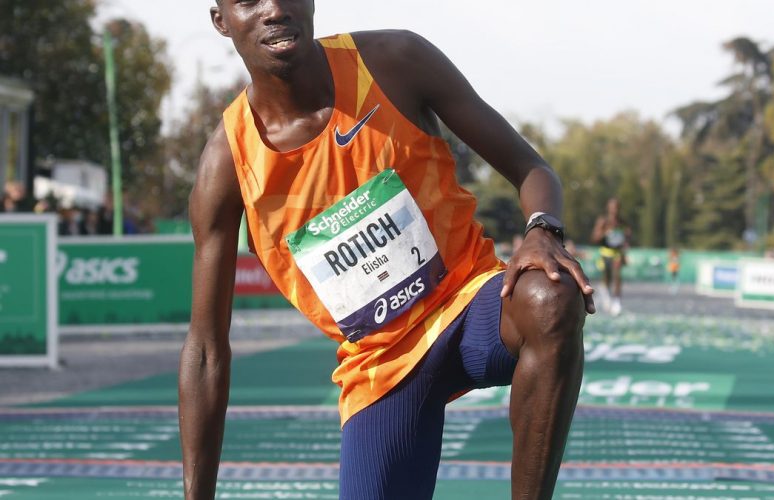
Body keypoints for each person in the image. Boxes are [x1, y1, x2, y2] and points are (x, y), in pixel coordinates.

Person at [180, 2, 595, 499]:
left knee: (550, 294)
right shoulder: (225, 166)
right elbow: (205, 349)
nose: (273, 8)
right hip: (381, 364)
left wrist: (542, 229)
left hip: (470, 304)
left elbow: (531, 168)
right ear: (221, 20)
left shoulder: (394, 61)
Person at [591, 198, 630, 316]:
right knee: (607, 278)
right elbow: (594, 238)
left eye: (617, 207)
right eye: (612, 207)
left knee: (617, 275)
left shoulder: (622, 222)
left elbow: (627, 237)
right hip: (605, 253)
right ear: (608, 208)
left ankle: (617, 302)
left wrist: (626, 244)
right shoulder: (603, 221)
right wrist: (605, 233)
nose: (614, 210)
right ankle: (605, 296)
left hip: (617, 253)